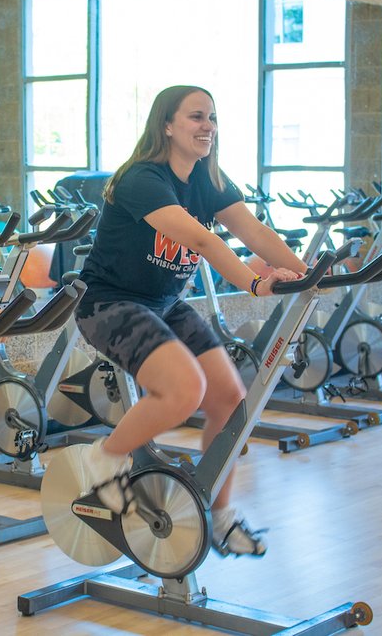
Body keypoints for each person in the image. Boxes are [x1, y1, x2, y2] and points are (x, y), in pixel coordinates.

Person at [75, 85, 308, 557]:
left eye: (212, 118)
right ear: (167, 124)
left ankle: (219, 515)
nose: (208, 127)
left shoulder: (206, 178)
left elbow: (254, 230)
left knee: (229, 398)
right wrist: (253, 283)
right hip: (110, 304)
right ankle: (103, 465)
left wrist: (309, 275)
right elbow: (203, 242)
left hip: (163, 303)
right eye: (196, 117)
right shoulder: (143, 178)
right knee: (184, 392)